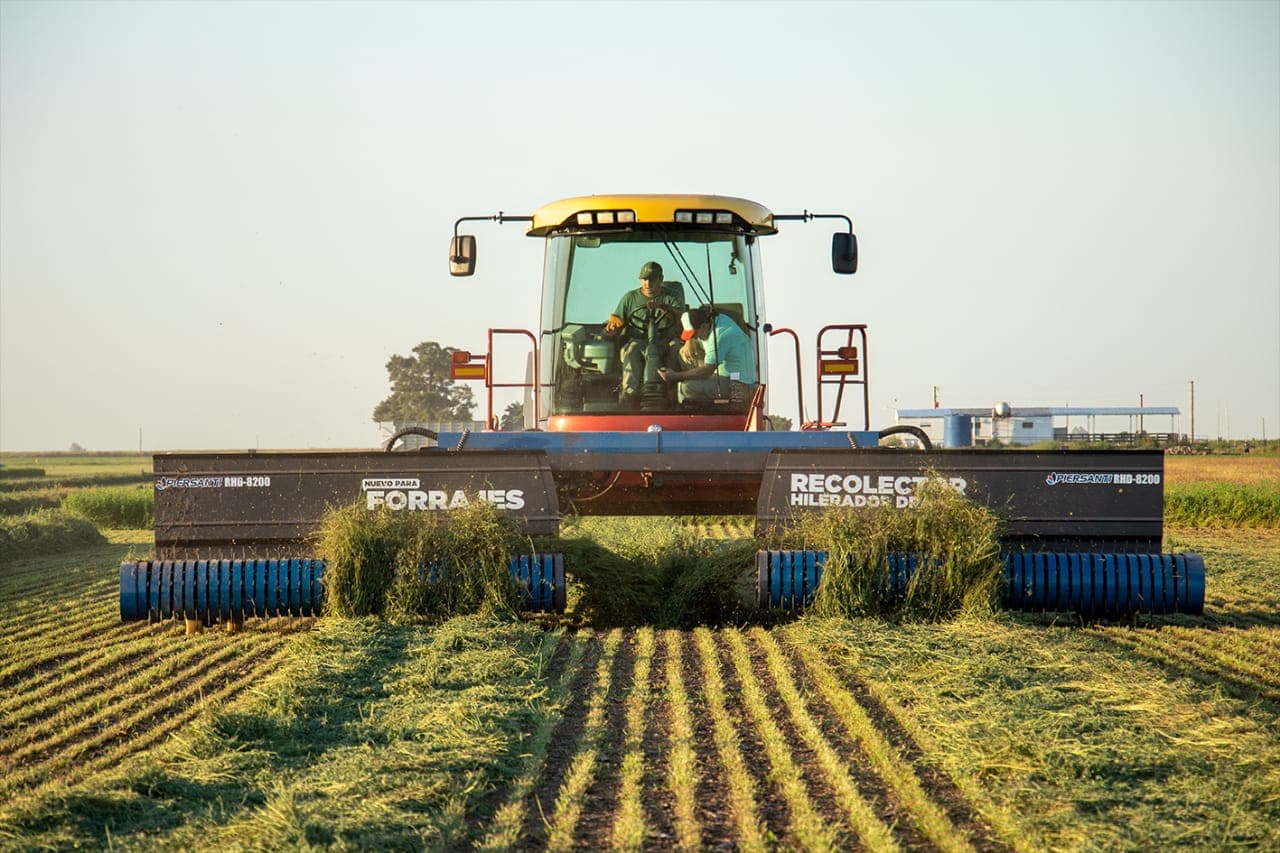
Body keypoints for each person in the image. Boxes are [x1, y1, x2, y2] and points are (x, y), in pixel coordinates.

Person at [604, 261, 686, 405]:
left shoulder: (671, 297)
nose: (648, 284)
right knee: (630, 351)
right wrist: (610, 330)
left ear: (660, 279)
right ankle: (630, 396)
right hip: (639, 340)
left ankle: (672, 390)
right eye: (644, 279)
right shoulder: (630, 298)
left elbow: (681, 318)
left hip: (666, 340)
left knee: (678, 349)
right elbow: (616, 321)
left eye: (652, 280)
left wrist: (664, 308)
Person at [657, 304, 758, 406]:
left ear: (704, 326)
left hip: (738, 382)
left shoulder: (720, 337)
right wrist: (689, 340)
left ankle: (701, 412)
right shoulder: (713, 318)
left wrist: (675, 376)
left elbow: (707, 370)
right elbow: (683, 316)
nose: (695, 338)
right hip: (724, 370)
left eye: (695, 335)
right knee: (684, 353)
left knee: (685, 388)